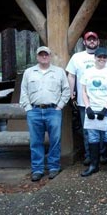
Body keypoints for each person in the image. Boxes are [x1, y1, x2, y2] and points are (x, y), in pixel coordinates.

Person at [19, 46, 70, 182]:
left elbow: (66, 90)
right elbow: (23, 91)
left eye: (46, 54)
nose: (44, 57)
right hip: (34, 111)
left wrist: (59, 106)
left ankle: (54, 167)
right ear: (37, 57)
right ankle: (37, 169)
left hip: (53, 111)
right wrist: (28, 108)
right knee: (36, 142)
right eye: (41, 55)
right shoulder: (29, 72)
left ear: (50, 56)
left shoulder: (59, 72)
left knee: (55, 140)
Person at [66, 31, 107, 166]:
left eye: (94, 39)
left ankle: (102, 155)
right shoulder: (77, 57)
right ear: (84, 42)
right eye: (89, 39)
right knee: (88, 130)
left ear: (98, 41)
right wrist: (72, 94)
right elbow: (71, 75)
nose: (92, 41)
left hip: (104, 101)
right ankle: (89, 155)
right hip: (85, 102)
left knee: (103, 130)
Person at [79, 48, 107, 177]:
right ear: (95, 57)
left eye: (104, 57)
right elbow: (84, 92)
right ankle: (93, 165)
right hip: (92, 109)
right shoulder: (87, 72)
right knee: (93, 137)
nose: (102, 59)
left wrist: (105, 108)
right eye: (99, 57)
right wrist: (88, 107)